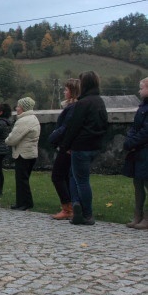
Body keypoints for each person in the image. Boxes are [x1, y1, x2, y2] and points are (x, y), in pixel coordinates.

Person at [61, 71, 108, 226]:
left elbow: (74, 126)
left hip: (81, 146)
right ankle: (78, 206)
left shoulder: (83, 103)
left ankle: (86, 213)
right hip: (94, 145)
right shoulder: (99, 101)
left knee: (80, 180)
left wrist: (66, 146)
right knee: (75, 176)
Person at [48, 79, 80, 220]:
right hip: (68, 145)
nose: (64, 92)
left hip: (66, 146)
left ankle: (67, 208)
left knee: (57, 176)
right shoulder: (74, 107)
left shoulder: (73, 107)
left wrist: (53, 136)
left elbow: (65, 127)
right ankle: (70, 206)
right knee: (66, 176)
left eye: (66, 90)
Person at [5, 97, 41, 211]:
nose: (16, 108)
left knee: (21, 180)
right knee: (24, 179)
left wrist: (7, 140)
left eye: (18, 106)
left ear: (24, 108)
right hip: (30, 153)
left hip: (23, 154)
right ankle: (25, 202)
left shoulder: (24, 120)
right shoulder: (33, 118)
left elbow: (13, 139)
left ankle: (23, 203)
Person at [124, 77, 148, 229]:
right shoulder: (142, 107)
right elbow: (135, 127)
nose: (139, 91)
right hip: (138, 151)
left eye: (142, 88)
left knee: (146, 182)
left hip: (145, 149)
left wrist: (132, 142)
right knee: (138, 183)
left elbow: (146, 131)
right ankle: (137, 214)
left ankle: (146, 217)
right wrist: (129, 140)